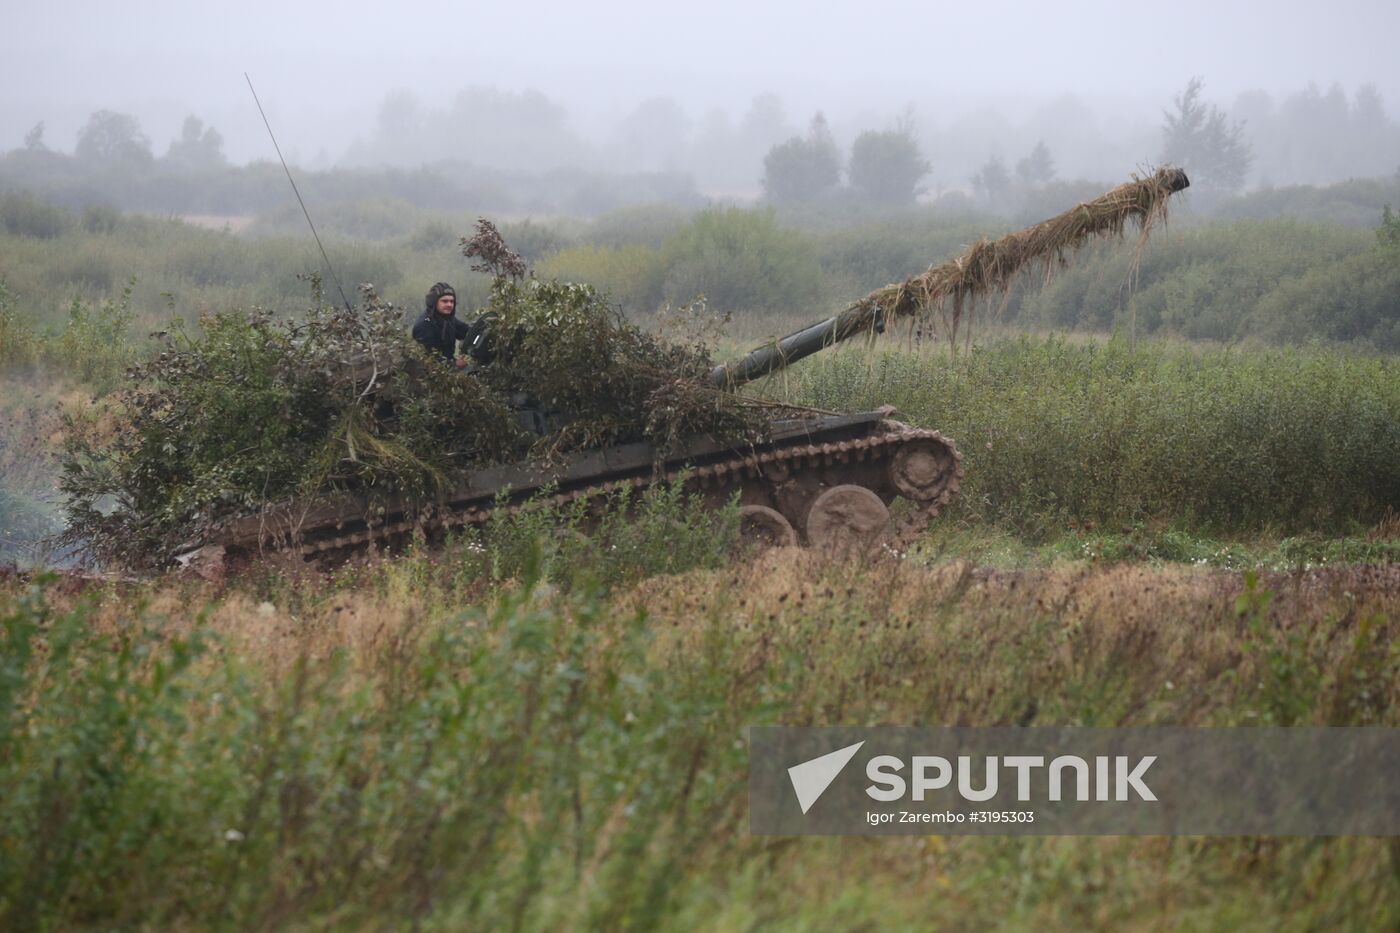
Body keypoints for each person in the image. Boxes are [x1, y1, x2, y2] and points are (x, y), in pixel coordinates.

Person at [411, 282, 471, 369]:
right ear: (434, 302)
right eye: (444, 301)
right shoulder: (425, 324)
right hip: (431, 375)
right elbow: (430, 361)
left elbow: (467, 332)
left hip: (449, 368)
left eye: (452, 301)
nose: (449, 305)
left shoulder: (449, 320)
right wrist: (455, 364)